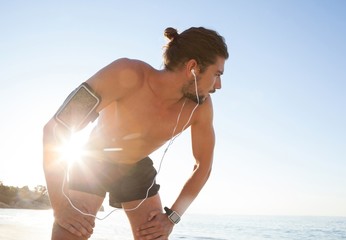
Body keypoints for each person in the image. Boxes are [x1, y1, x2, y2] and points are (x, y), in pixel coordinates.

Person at [43, 26, 229, 240]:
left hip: (137, 168)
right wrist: (59, 206)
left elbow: (203, 166)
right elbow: (55, 129)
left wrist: (171, 218)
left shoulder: (200, 107)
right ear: (193, 67)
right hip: (92, 162)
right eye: (217, 74)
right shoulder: (126, 73)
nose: (219, 85)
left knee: (156, 235)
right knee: (70, 230)